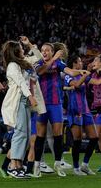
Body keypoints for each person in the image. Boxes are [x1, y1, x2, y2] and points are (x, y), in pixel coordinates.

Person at [33, 43, 84, 177]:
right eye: (43, 50)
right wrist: (54, 58)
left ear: (52, 51)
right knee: (40, 136)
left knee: (58, 136)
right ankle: (37, 166)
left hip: (56, 104)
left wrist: (80, 72)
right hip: (41, 104)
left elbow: (70, 72)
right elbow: (41, 71)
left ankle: (57, 164)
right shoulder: (38, 63)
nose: (44, 52)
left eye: (47, 50)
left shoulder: (58, 63)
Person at [1, 39, 42, 178]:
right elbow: (20, 83)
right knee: (20, 132)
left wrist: (30, 44)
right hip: (18, 101)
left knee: (25, 133)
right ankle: (13, 165)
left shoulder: (22, 63)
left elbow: (39, 58)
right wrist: (30, 96)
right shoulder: (13, 65)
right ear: (15, 51)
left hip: (24, 101)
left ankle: (18, 165)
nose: (23, 49)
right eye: (21, 47)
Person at [64, 54, 98, 176]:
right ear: (74, 64)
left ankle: (85, 165)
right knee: (77, 140)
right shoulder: (68, 76)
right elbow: (77, 85)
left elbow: (96, 81)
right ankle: (76, 168)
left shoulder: (83, 75)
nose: (81, 63)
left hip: (86, 110)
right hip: (75, 109)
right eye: (79, 61)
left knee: (94, 137)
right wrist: (87, 73)